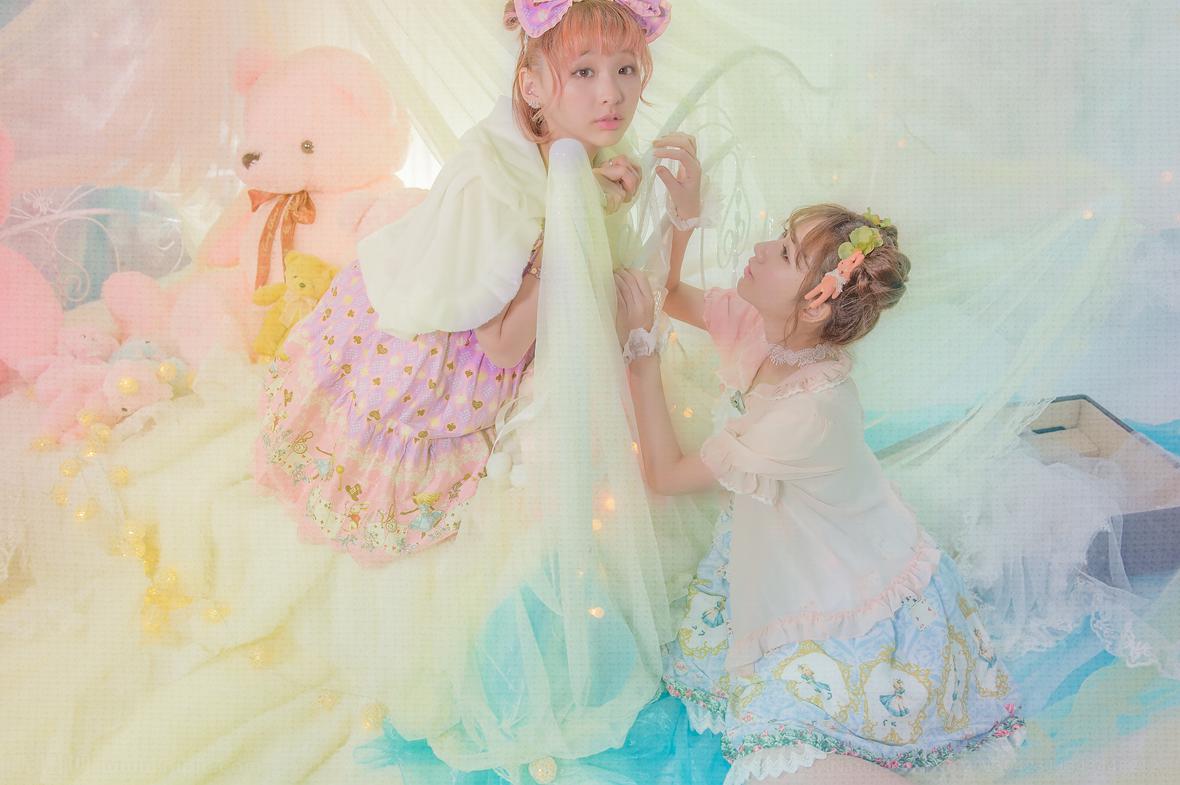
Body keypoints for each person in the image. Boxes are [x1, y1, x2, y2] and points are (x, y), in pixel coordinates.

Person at [615, 196, 1025, 782]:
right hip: (786, 548)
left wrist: (641, 355)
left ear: (815, 302)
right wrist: (683, 213)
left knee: (788, 755)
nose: (762, 248)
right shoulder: (768, 333)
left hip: (836, 585)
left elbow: (665, 475)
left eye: (785, 253)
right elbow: (671, 293)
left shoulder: (809, 411)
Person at [256, 0, 670, 566]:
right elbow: (501, 346)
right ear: (530, 86)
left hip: (483, 309)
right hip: (436, 358)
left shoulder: (577, 149)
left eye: (625, 68)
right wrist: (570, 230)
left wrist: (597, 194)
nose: (611, 94)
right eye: (583, 72)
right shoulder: (493, 184)